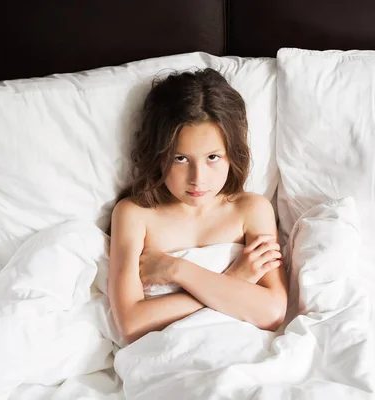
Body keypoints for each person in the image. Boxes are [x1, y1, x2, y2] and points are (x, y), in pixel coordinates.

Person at [108, 68, 288, 345]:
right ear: (158, 155)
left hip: (242, 348)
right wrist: (236, 280)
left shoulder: (251, 210)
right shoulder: (135, 214)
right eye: (180, 159)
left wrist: (178, 270)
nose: (197, 179)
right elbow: (131, 326)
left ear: (233, 155)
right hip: (169, 354)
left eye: (213, 157)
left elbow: (273, 313)